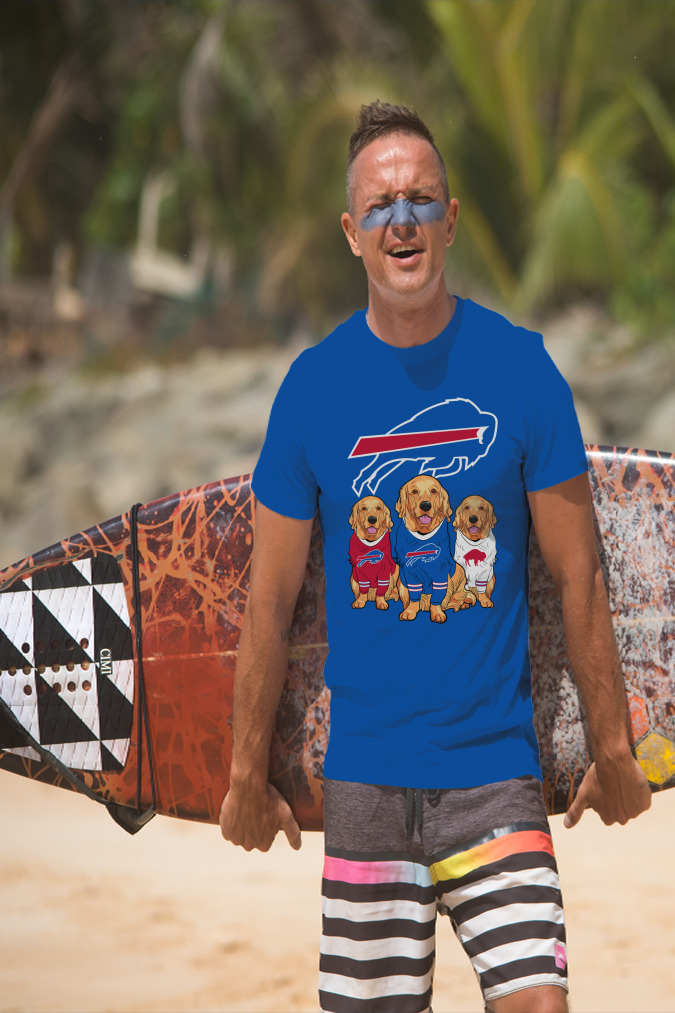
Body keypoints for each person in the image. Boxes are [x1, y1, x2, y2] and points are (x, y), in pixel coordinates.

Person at [220, 100, 651, 1013]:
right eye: (380, 206)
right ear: (351, 232)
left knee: (540, 1003)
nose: (402, 220)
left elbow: (579, 575)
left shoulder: (522, 371)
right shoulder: (312, 391)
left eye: (421, 200)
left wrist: (612, 746)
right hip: (367, 783)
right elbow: (269, 601)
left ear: (451, 219)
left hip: (495, 774)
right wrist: (242, 773)